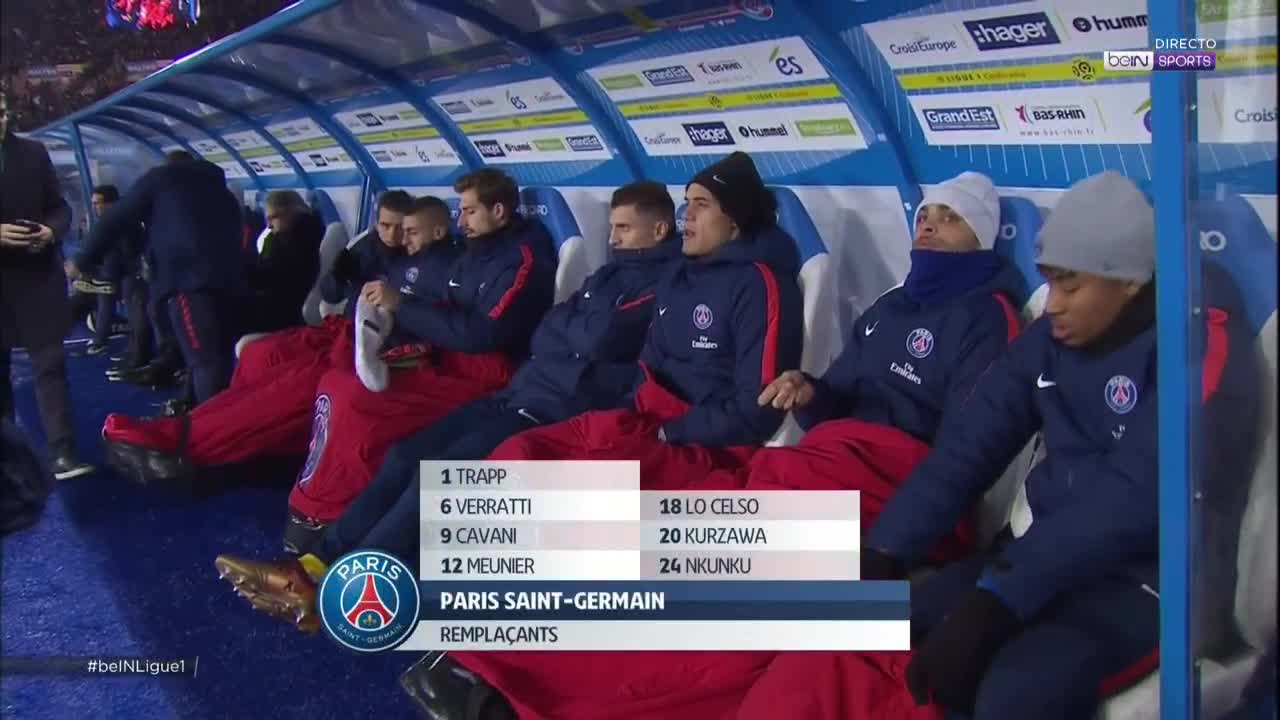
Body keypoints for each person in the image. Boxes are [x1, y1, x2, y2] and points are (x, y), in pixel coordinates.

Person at [736, 172, 1259, 720]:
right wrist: (886, 551)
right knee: (881, 629)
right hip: (1044, 557)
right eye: (1049, 283)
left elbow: (1135, 496)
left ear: (1128, 282)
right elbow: (969, 446)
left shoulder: (1200, 345)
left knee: (1013, 691)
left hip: (1156, 582)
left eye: (1071, 287)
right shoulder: (1053, 338)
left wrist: (999, 599)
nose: (1053, 304)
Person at [212, 180, 683, 629]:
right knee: (405, 456)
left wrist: (572, 330)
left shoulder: (666, 283)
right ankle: (313, 564)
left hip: (558, 407)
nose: (612, 237)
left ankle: (341, 590)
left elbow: (596, 337)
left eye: (623, 228)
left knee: (435, 481)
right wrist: (573, 331)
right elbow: (549, 329)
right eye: (612, 226)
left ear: (659, 229)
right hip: (520, 392)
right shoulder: (606, 274)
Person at [701, 171, 1022, 558]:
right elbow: (833, 401)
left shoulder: (988, 319)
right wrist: (808, 391)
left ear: (980, 237)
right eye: (923, 215)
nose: (928, 224)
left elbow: (967, 448)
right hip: (832, 456)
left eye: (950, 217)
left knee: (726, 537)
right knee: (703, 514)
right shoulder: (890, 306)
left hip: (899, 478)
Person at [484, 151, 804, 492]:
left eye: (702, 205)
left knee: (553, 492)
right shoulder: (678, 275)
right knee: (516, 455)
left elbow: (757, 410)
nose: (687, 214)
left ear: (734, 220)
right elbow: (648, 365)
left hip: (701, 444)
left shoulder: (761, 285)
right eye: (687, 202)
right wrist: (630, 417)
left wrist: (672, 430)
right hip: (641, 419)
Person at [283, 170, 556, 549]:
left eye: (470, 211)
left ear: (498, 211)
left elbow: (481, 335)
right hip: (440, 356)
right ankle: (321, 514)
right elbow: (438, 304)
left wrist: (402, 305)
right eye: (460, 211)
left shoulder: (524, 261)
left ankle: (328, 520)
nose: (462, 220)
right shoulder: (470, 253)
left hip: (487, 375)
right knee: (340, 384)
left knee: (360, 403)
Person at [99, 190, 411, 480]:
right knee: (259, 356)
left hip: (371, 345)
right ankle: (212, 432)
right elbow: (330, 293)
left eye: (402, 228)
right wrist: (339, 274)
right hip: (339, 332)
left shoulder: (418, 260)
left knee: (291, 385)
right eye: (386, 226)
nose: (393, 235)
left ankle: (191, 439)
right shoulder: (366, 247)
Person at [69, 150, 247, 402]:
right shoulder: (221, 190)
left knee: (205, 362)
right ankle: (195, 405)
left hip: (189, 282)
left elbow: (114, 219)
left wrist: (82, 261)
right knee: (217, 356)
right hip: (232, 282)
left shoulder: (161, 179)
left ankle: (209, 421)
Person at [0, 88, 93, 479]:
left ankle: (62, 453)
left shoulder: (33, 153)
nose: (1, 120)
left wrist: (51, 231)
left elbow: (59, 207)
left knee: (51, 365)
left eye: (2, 111)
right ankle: (8, 460)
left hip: (37, 277)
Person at [243, 189, 323, 335]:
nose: (269, 225)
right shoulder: (288, 236)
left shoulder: (298, 240)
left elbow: (274, 274)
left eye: (273, 218)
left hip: (284, 314)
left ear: (290, 212)